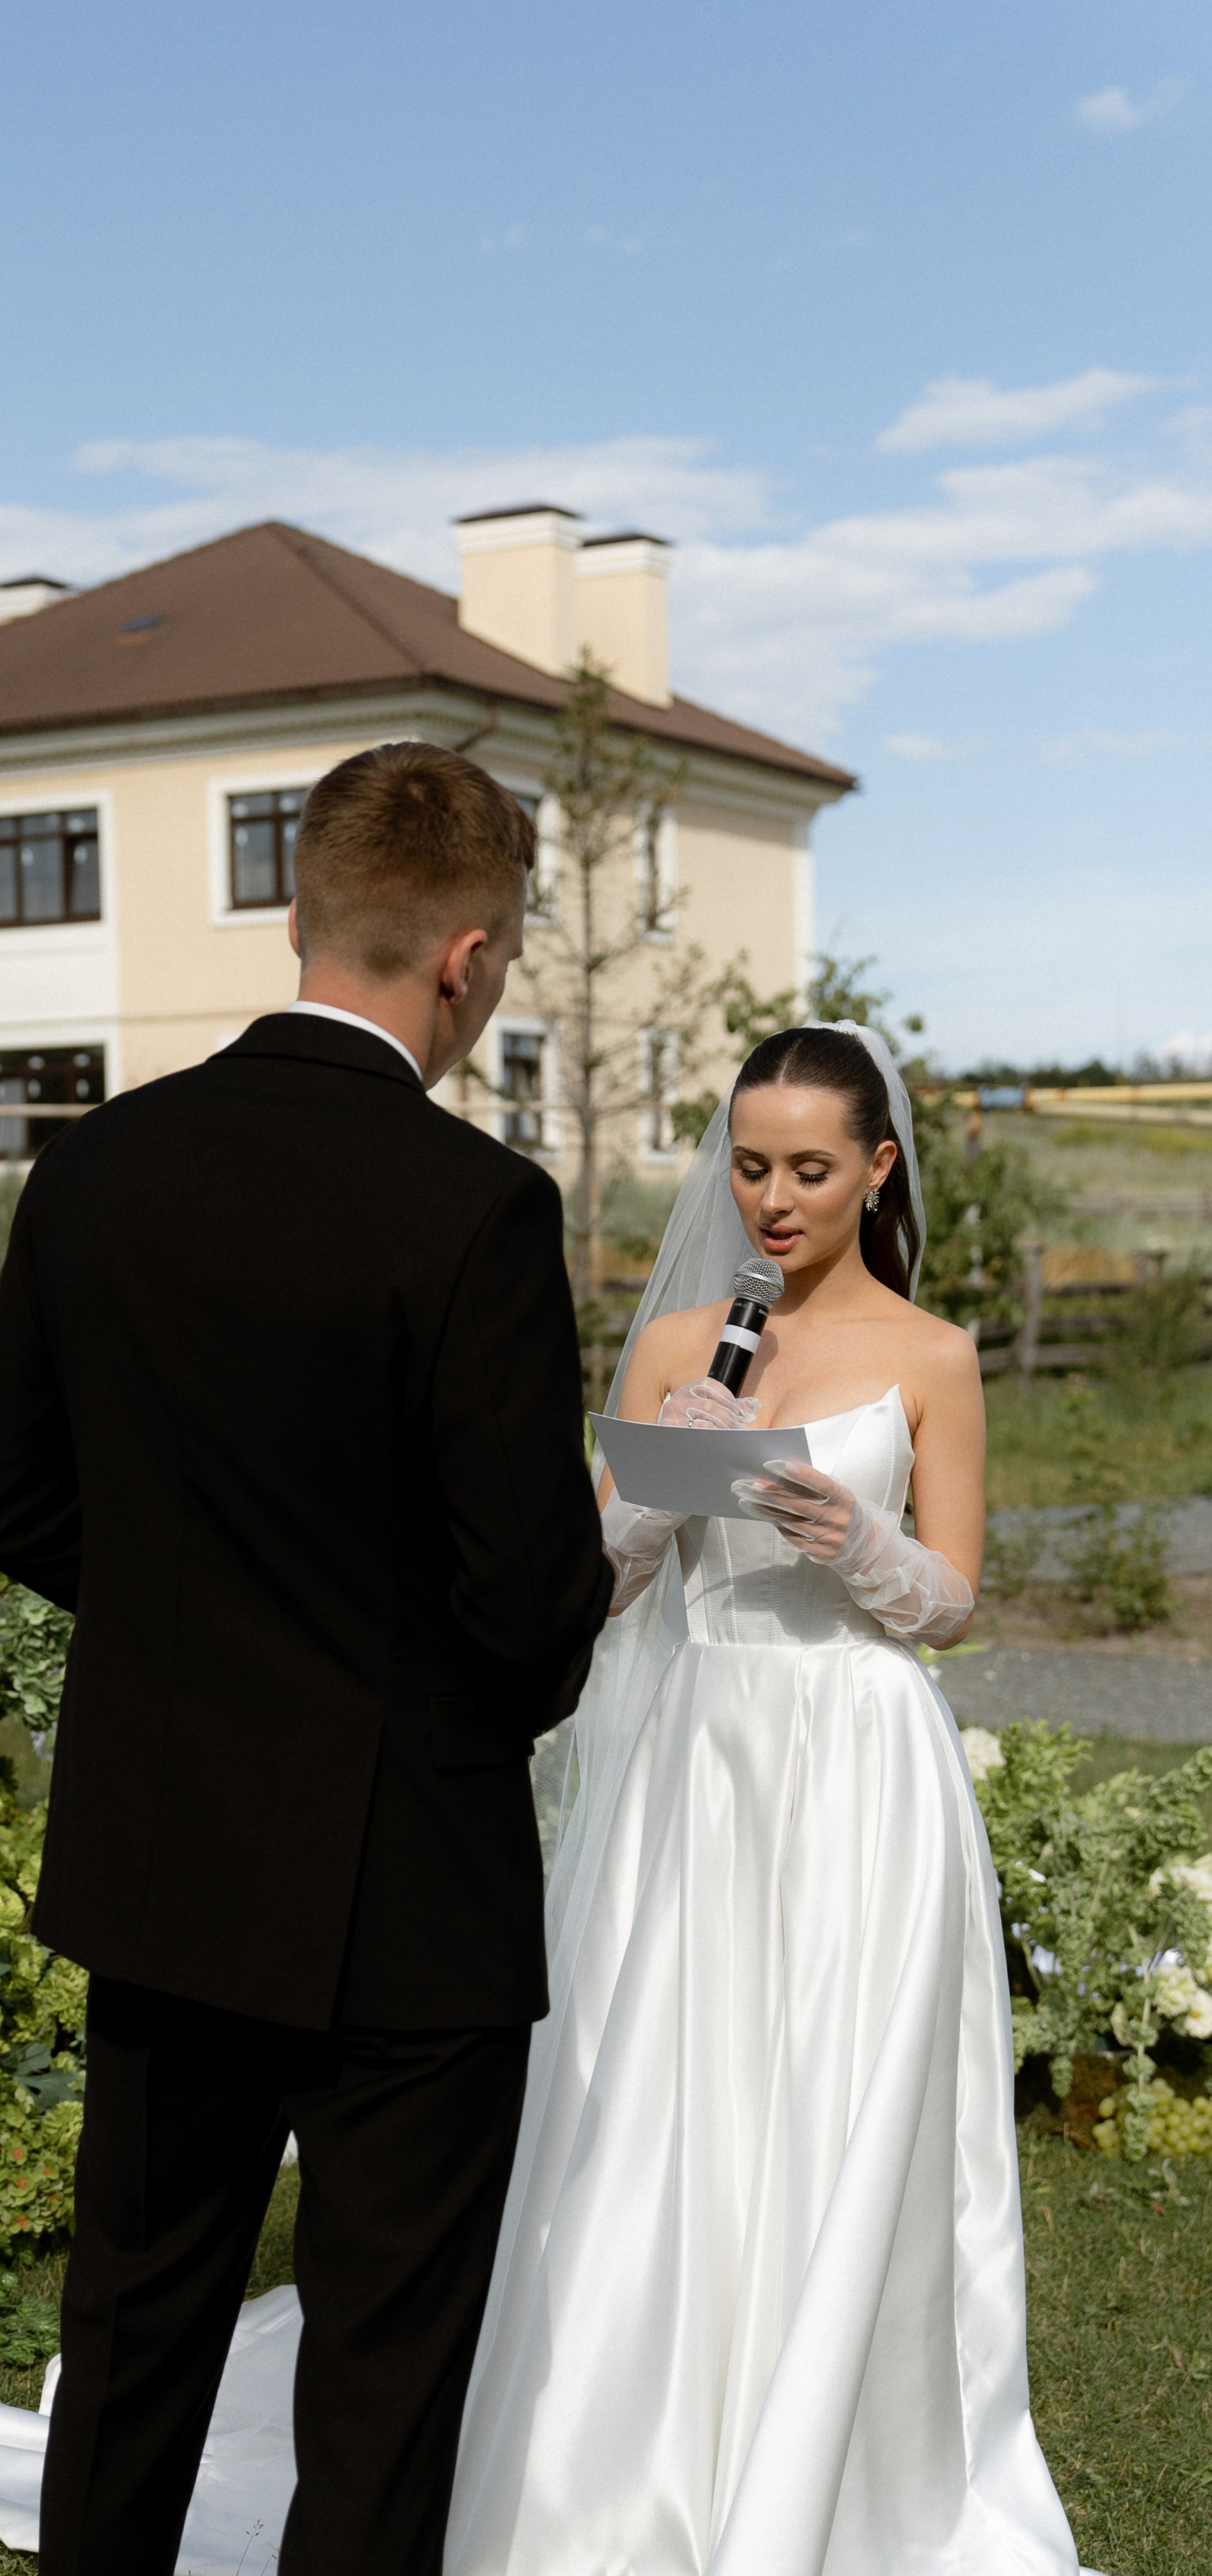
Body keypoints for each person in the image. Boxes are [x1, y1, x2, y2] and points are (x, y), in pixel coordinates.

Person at [0, 742, 616, 2576]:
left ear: (297, 919)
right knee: (380, 2385)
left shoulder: (94, 1165)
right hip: (407, 1887)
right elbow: (527, 1614)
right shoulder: (476, 1208)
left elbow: (12, 1500)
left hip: (164, 1852)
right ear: (470, 960)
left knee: (133, 2332)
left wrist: (189, 1638)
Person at [443, 1022, 1086, 2575]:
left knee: (837, 2091)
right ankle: (636, 2452)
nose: (772, 1201)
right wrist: (654, 1507)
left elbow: (952, 1602)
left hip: (859, 1758)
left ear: (877, 1168)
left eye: (807, 1169)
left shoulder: (932, 1356)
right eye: (748, 1167)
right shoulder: (683, 1344)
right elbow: (593, 1594)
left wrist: (850, 1540)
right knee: (669, 2090)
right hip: (700, 1756)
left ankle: (838, 2456)